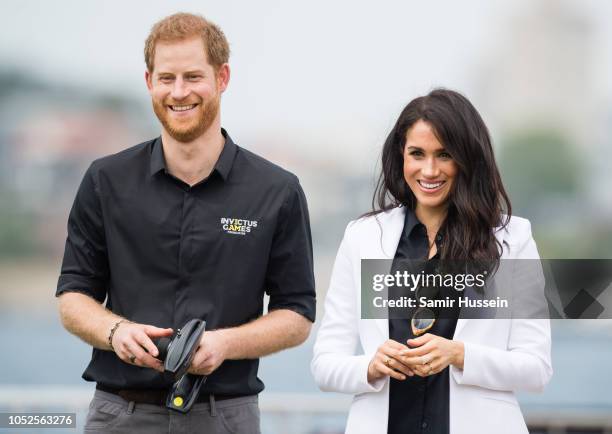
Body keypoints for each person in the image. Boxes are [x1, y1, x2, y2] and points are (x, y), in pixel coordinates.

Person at [56, 12, 315, 434]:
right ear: (149, 82)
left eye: (193, 77)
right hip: (119, 415)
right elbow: (72, 297)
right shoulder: (105, 181)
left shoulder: (278, 191)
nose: (179, 92)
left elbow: (298, 315)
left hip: (225, 415)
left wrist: (224, 344)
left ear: (222, 77)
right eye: (167, 78)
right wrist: (115, 331)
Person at [311, 89, 552, 434]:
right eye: (417, 154)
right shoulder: (363, 237)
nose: (429, 169)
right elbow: (324, 365)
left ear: (468, 158)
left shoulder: (513, 240)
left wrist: (459, 354)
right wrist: (372, 365)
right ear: (401, 157)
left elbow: (536, 368)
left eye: (444, 154)